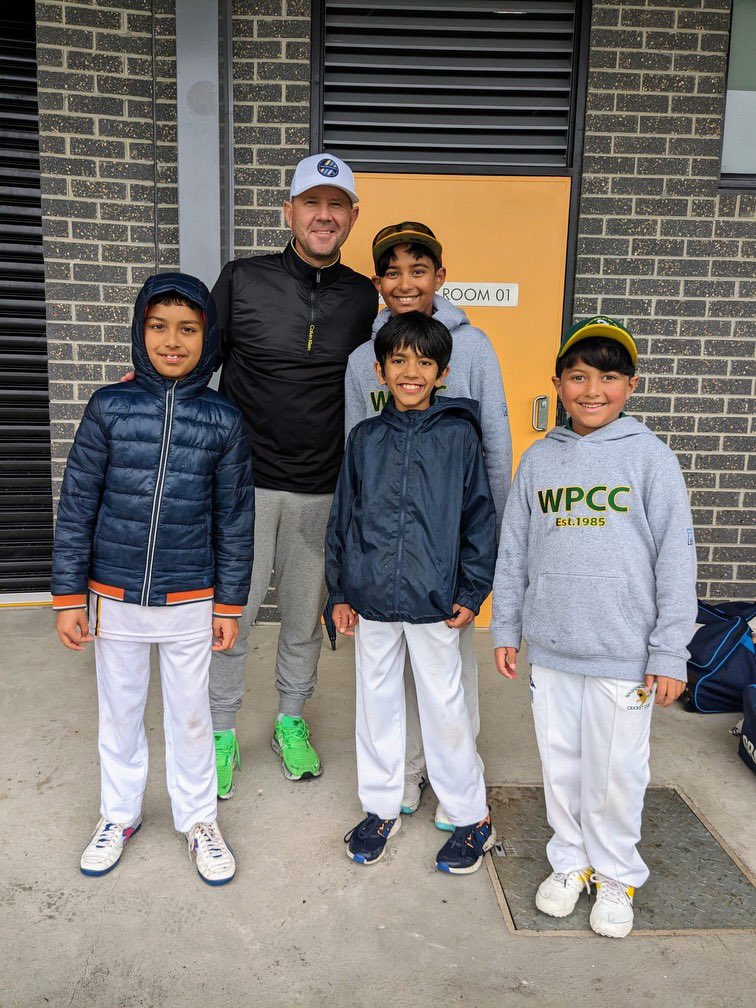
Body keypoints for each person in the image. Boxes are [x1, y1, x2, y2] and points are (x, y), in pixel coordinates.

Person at [491, 316, 697, 937]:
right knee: (562, 765)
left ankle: (615, 874)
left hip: (624, 653)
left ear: (630, 385)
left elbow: (675, 558)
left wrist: (670, 652)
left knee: (615, 772)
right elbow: (515, 549)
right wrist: (506, 625)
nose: (591, 390)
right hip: (553, 648)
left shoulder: (651, 459)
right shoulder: (539, 460)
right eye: (578, 376)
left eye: (608, 377)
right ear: (557, 382)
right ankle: (570, 860)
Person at [52, 274, 253, 886]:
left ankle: (198, 821)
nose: (173, 341)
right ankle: (118, 814)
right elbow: (78, 500)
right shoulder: (109, 406)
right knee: (119, 711)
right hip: (114, 596)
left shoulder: (223, 419)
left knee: (191, 715)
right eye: (159, 327)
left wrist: (230, 603)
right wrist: (68, 597)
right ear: (140, 333)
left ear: (207, 338)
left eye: (188, 330)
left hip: (191, 597)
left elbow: (235, 516)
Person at [209, 153, 377, 794]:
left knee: (304, 618)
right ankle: (221, 731)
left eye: (337, 205)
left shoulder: (364, 296)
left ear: (352, 217)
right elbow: (200, 360)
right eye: (313, 202)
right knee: (233, 613)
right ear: (290, 211)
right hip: (242, 484)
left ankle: (289, 720)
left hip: (322, 487)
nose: (324, 215)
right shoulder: (243, 279)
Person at [344, 222, 511, 831]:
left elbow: (493, 448)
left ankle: (457, 780)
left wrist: (482, 564)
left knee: (447, 678)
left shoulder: (476, 348)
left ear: (440, 276)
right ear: (378, 283)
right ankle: (405, 774)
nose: (406, 282)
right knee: (388, 683)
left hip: (443, 554)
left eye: (419, 270)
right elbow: (353, 461)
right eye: (392, 272)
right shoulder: (363, 360)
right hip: (383, 552)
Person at [327, 311, 498, 873]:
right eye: (398, 360)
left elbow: (478, 518)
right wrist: (340, 593)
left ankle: (471, 816)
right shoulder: (365, 438)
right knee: (376, 706)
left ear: (442, 373)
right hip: (372, 597)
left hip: (433, 600)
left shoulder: (458, 437)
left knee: (444, 706)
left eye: (424, 362)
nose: (411, 371)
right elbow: (343, 520)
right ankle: (380, 808)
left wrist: (472, 590)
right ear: (379, 370)